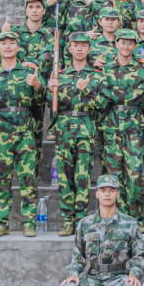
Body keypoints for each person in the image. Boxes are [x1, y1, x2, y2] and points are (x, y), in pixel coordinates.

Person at [0, 30, 46, 237]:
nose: (7, 46)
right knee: (1, 179)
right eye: (3, 43)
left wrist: (38, 86)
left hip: (26, 132)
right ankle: (2, 223)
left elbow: (42, 102)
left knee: (28, 179)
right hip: (1, 133)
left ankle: (29, 222)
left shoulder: (30, 72)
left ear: (18, 47)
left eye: (11, 43)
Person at [47, 32, 107, 236]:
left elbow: (103, 104)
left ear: (89, 49)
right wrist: (50, 90)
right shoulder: (59, 74)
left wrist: (87, 89)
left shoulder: (97, 75)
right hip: (63, 129)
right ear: (69, 48)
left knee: (83, 177)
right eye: (76, 45)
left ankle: (80, 219)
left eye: (83, 45)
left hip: (85, 128)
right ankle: (67, 220)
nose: (80, 49)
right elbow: (50, 103)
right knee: (64, 177)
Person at [101, 29, 144, 232]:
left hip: (134, 124)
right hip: (111, 125)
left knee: (135, 174)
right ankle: (116, 218)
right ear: (116, 43)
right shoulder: (105, 68)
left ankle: (135, 219)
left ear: (135, 46)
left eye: (130, 43)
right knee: (114, 175)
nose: (126, 46)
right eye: (123, 42)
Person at [6, 0, 52, 171]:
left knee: (36, 134)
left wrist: (25, 64)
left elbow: (47, 58)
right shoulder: (15, 32)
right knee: (7, 134)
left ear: (44, 10)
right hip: (15, 87)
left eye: (38, 7)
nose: (34, 11)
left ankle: (33, 173)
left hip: (37, 88)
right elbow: (8, 55)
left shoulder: (49, 34)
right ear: (25, 10)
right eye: (31, 7)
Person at [63, 0, 114, 64]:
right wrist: (85, 35)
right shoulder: (74, 5)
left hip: (100, 54)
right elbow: (67, 33)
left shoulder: (107, 5)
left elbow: (111, 30)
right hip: (78, 55)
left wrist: (94, 6)